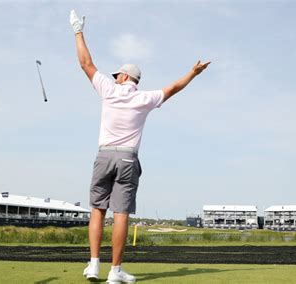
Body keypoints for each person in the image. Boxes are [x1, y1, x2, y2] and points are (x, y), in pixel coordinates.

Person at [70, 10, 210, 283]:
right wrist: (193, 73)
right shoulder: (145, 98)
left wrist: (78, 31)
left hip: (103, 156)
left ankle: (94, 265)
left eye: (116, 75)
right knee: (121, 214)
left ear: (124, 77)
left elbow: (85, 63)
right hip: (127, 161)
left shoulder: (108, 90)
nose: (113, 78)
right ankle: (114, 272)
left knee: (97, 210)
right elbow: (173, 88)